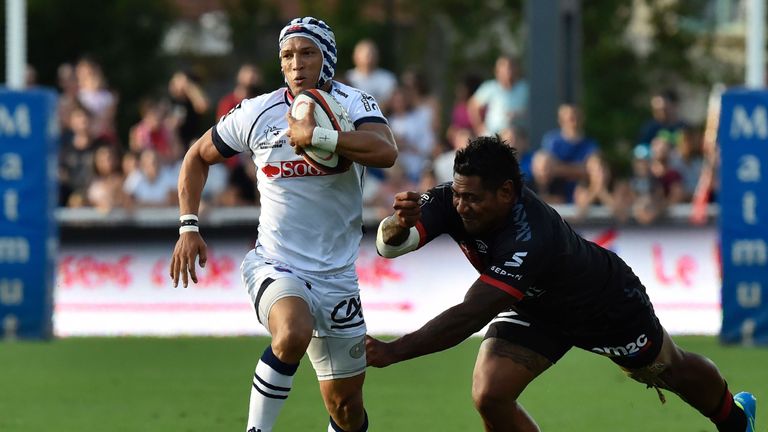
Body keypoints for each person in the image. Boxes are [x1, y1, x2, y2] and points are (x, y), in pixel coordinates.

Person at [366, 135, 756, 432]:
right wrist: (399, 225)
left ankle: (736, 418)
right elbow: (387, 247)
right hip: (536, 307)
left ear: (506, 192)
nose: (461, 207)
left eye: (473, 199)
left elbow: (473, 313)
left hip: (605, 305)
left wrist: (394, 351)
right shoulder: (455, 197)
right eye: (458, 195)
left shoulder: (531, 236)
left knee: (670, 370)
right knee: (490, 393)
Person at [169, 17, 397, 432]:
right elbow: (197, 156)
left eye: (307, 52)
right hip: (276, 264)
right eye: (287, 55)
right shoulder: (258, 111)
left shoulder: (354, 103)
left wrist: (319, 137)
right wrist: (188, 226)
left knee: (345, 410)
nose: (296, 64)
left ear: (327, 56)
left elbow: (385, 151)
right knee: (292, 331)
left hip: (337, 276)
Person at [467, 55, 529, 136]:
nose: (507, 71)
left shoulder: (524, 88)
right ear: (497, 71)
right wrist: (479, 126)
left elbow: (533, 109)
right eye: (504, 68)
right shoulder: (490, 87)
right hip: (492, 134)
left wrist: (519, 114)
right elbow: (473, 106)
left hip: (518, 135)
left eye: (510, 67)